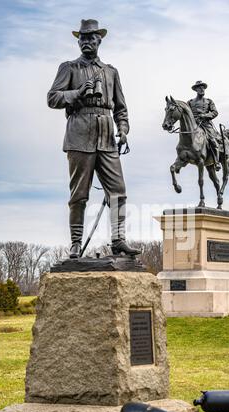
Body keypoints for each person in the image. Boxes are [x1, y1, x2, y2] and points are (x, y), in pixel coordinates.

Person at [47, 19, 140, 258]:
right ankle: (76, 243)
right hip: (79, 132)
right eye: (82, 38)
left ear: (99, 40)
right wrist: (77, 93)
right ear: (78, 41)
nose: (86, 42)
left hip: (107, 135)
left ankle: (119, 240)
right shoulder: (68, 68)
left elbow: (121, 108)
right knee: (79, 194)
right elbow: (52, 98)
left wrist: (123, 129)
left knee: (118, 190)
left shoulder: (111, 72)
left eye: (91, 37)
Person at [187, 81, 221, 171]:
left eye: (203, 87)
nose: (202, 89)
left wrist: (205, 116)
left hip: (206, 124)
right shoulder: (190, 102)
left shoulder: (209, 101)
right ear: (196, 90)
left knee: (213, 141)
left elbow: (215, 112)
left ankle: (216, 161)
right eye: (199, 87)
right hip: (194, 125)